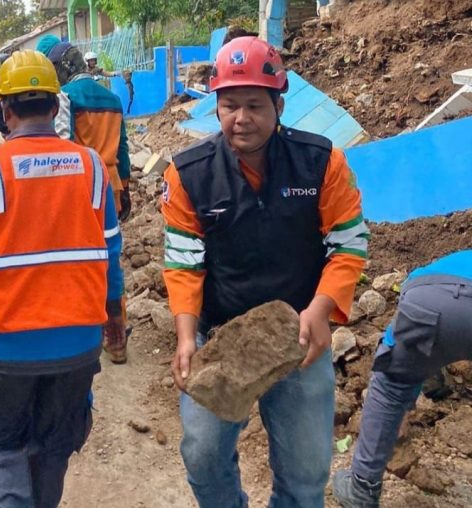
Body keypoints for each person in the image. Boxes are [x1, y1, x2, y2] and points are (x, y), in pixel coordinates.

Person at [162, 36, 369, 507]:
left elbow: (349, 243)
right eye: (230, 104)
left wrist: (320, 311)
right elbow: (182, 262)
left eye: (255, 104)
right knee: (202, 453)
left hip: (299, 339)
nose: (242, 118)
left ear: (279, 104)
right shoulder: (189, 174)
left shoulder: (321, 162)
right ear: (215, 107)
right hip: (223, 339)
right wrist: (186, 337)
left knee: (306, 473)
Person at [0, 49, 125, 507]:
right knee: (54, 443)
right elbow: (110, 251)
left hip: (8, 347)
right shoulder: (93, 167)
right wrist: (114, 314)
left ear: (4, 108)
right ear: (56, 108)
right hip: (79, 345)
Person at [332, 250, 472, 507]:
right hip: (439, 299)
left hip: (431, 300)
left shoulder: (432, 273)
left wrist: (400, 408)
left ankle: (362, 488)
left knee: (390, 385)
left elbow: (400, 361)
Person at [36, 35, 132, 364]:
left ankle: (82, 327)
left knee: (77, 257)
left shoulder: (64, 97)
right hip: (112, 184)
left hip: (80, 186)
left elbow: (62, 143)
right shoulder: (111, 98)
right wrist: (127, 185)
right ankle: (116, 335)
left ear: (62, 69)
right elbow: (122, 148)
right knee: (110, 256)